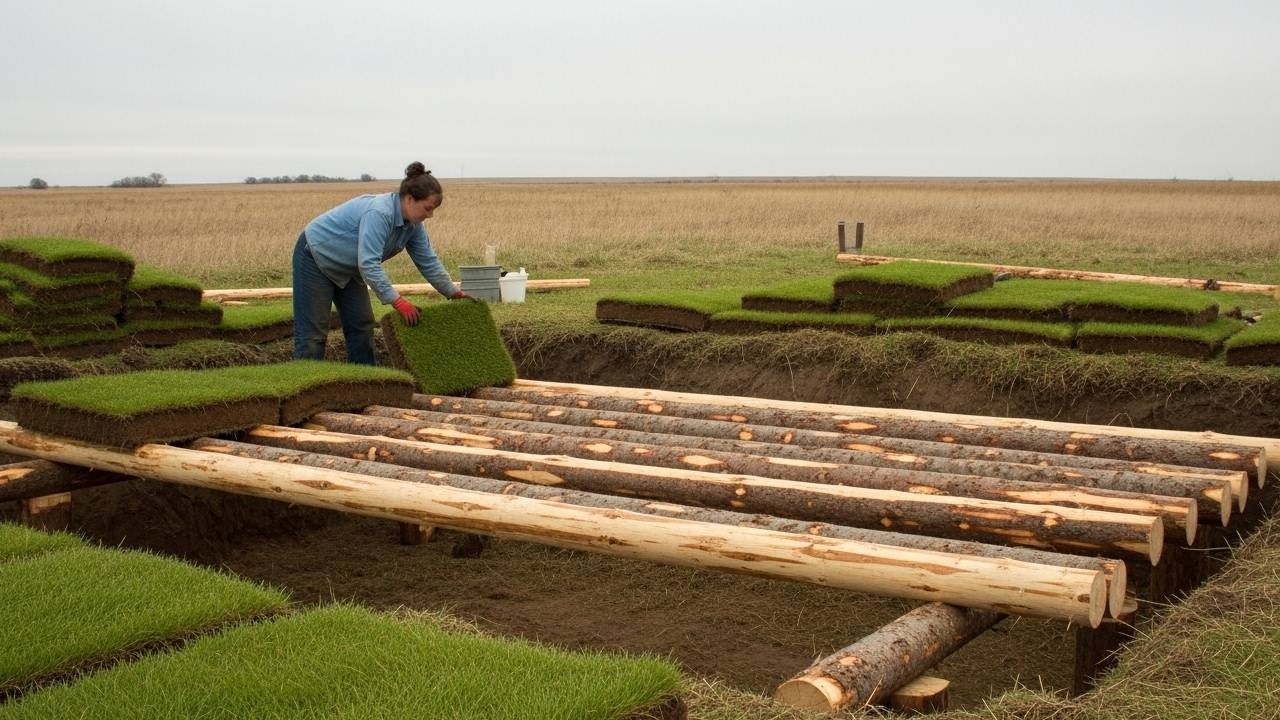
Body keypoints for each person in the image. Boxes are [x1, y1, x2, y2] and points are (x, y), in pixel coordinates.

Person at [292, 161, 467, 364]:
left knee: (362, 326)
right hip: (315, 256)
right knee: (313, 336)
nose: (430, 215)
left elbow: (428, 261)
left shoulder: (413, 225)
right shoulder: (380, 213)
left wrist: (453, 292)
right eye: (427, 208)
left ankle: (364, 389)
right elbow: (368, 264)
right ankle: (305, 393)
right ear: (410, 199)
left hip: (349, 267)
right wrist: (397, 301)